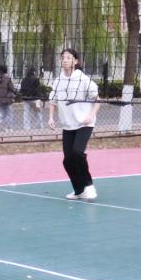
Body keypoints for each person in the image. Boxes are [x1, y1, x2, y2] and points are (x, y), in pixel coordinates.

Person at [48, 49, 100, 201]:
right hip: (68, 125)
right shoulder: (58, 80)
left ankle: (88, 185)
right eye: (63, 58)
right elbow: (53, 101)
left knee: (77, 153)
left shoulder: (83, 79)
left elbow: (97, 99)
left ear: (75, 61)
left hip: (84, 123)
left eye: (68, 58)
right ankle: (79, 190)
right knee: (68, 160)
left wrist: (90, 116)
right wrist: (51, 117)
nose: (65, 60)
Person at [0, 65, 17, 131]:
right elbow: (12, 88)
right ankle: (9, 128)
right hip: (7, 98)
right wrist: (15, 92)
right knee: (9, 114)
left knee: (3, 112)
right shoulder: (7, 78)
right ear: (6, 70)